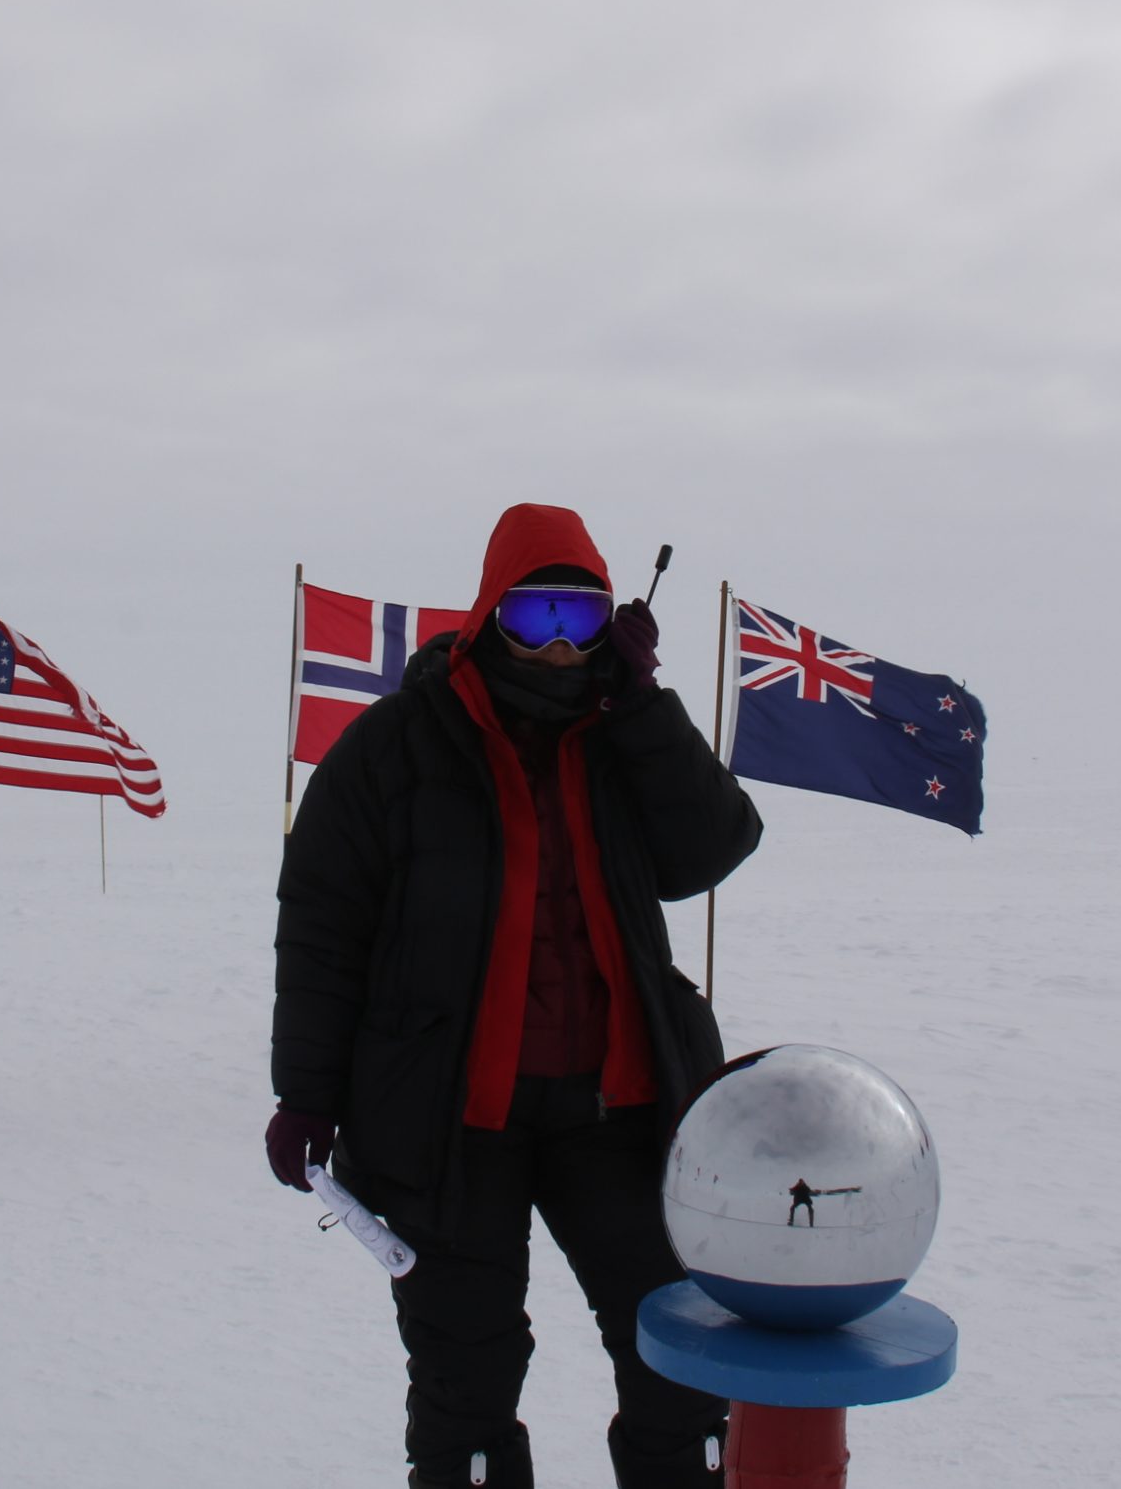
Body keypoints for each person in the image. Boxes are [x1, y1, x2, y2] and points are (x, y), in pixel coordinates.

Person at [267, 503, 764, 1489]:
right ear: (491, 611)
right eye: (535, 617)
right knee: (468, 1375)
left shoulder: (620, 733)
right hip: (449, 1120)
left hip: (614, 1110)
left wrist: (643, 703)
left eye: (578, 621)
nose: (556, 644)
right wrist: (307, 1093)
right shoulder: (395, 747)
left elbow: (711, 849)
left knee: (677, 1350)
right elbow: (322, 926)